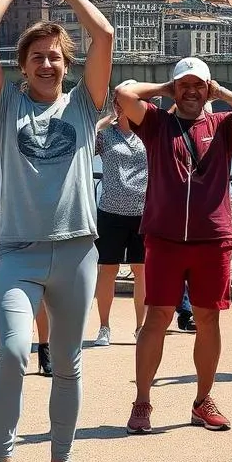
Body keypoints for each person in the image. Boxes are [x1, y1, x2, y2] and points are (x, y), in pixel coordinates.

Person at [0, 0, 113, 462]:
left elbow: (103, 37)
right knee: (12, 351)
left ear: (66, 63)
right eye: (37, 57)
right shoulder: (4, 106)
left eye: (55, 56)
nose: (47, 64)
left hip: (77, 251)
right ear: (23, 65)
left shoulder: (85, 105)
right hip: (19, 252)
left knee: (68, 365)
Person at [114, 59, 232, 434]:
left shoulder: (223, 127)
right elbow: (123, 94)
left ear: (208, 88)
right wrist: (165, 88)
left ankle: (203, 401)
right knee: (157, 318)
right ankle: (142, 401)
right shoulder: (155, 123)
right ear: (175, 87)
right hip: (164, 239)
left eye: (198, 85)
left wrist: (221, 92)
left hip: (211, 240)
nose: (191, 91)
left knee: (208, 319)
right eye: (185, 84)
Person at [0, 107, 50, 382]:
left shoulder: (42, 137)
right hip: (3, 215)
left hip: (36, 214)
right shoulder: (0, 137)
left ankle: (45, 348)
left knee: (42, 286)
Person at [92, 90, 148, 345]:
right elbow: (82, 143)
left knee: (142, 271)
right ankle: (104, 327)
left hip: (143, 213)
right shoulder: (105, 136)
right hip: (110, 212)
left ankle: (141, 327)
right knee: (107, 271)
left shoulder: (148, 134)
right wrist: (106, 120)